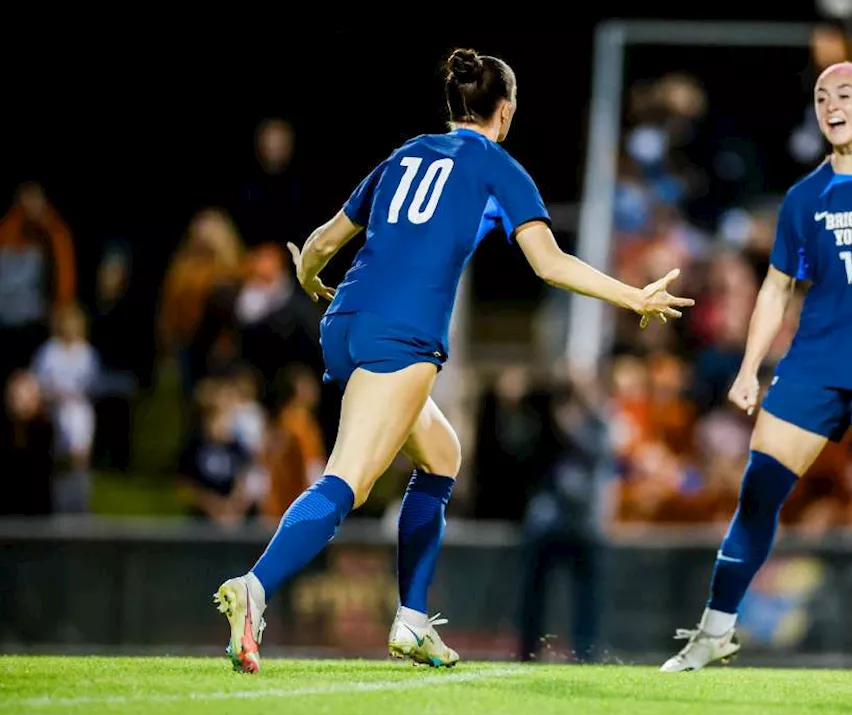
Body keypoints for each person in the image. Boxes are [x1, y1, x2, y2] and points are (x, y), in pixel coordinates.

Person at [213, 48, 693, 674]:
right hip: (403, 336)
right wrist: (633, 295)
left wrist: (309, 279)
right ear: (507, 110)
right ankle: (255, 587)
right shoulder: (499, 167)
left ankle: (412, 621)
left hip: (345, 323)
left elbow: (324, 242)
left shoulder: (403, 154)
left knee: (441, 456)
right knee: (349, 479)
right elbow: (548, 264)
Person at [660, 61, 852, 677]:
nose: (830, 104)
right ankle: (715, 633)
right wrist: (747, 369)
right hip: (813, 367)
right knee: (757, 496)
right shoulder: (803, 197)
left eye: (843, 93)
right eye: (820, 96)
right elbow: (775, 289)